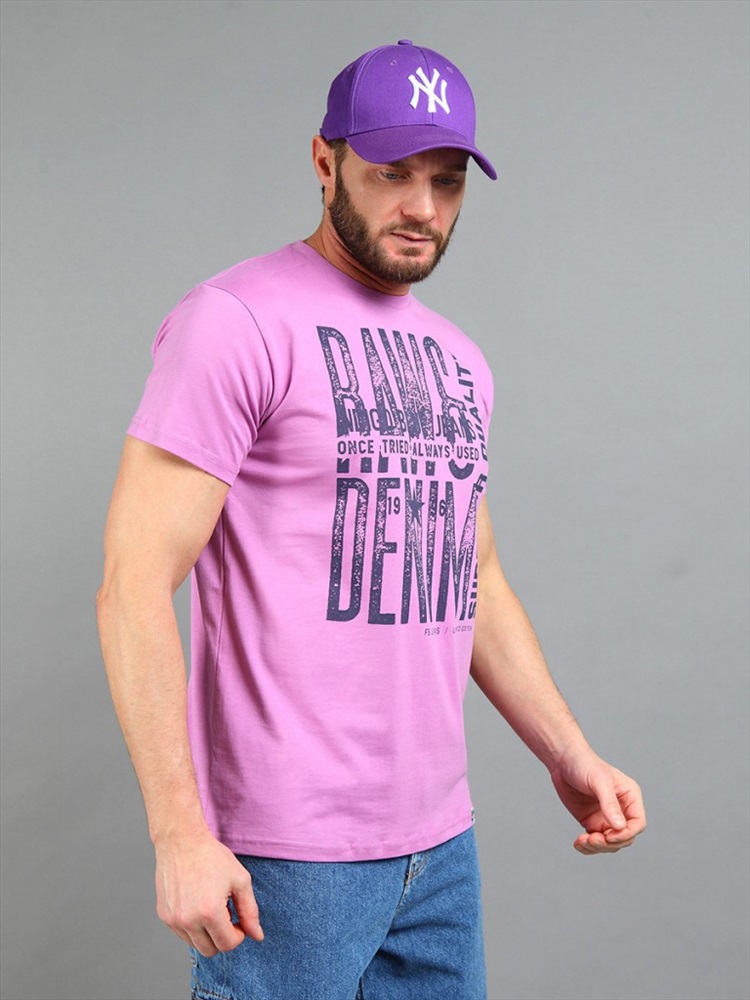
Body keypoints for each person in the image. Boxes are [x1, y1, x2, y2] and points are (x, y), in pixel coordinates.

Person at [97, 39, 646, 1000]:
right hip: (285, 853)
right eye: (393, 172)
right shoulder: (235, 321)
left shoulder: (459, 360)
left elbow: (472, 578)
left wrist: (568, 750)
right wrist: (179, 834)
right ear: (325, 161)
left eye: (446, 180)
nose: (423, 208)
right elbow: (132, 584)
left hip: (439, 847)